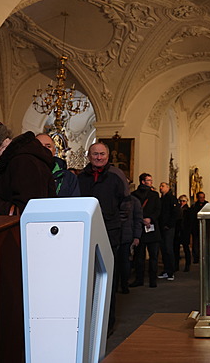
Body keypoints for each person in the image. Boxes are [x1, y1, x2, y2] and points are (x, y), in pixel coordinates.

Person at [77, 142, 131, 333]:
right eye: (95, 154)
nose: (98, 157)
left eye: (102, 154)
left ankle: (105, 324)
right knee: (86, 279)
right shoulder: (81, 177)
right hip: (85, 234)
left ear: (107, 156)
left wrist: (117, 224)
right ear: (89, 155)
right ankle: (87, 323)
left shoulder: (116, 176)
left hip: (110, 233)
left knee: (107, 279)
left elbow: (126, 203)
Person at [131, 173, 161, 288]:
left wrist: (149, 219)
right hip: (142, 228)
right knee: (140, 256)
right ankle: (143, 279)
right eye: (149, 180)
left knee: (152, 256)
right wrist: (147, 219)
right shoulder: (134, 195)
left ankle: (150, 279)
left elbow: (158, 209)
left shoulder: (154, 195)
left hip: (147, 227)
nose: (151, 182)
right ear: (143, 181)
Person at [157, 182, 179, 281]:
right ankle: (166, 269)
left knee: (168, 248)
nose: (160, 187)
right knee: (164, 249)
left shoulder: (172, 199)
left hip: (169, 228)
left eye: (163, 186)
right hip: (161, 227)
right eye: (160, 186)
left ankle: (171, 271)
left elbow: (175, 213)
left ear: (168, 188)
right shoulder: (161, 199)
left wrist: (169, 224)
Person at [189, 191, 208, 264]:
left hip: (205, 227)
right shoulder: (194, 206)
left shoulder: (206, 205)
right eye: (200, 197)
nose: (202, 199)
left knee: (204, 243)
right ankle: (196, 257)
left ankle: (204, 256)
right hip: (196, 228)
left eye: (203, 197)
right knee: (195, 243)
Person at [174, 194, 192, 272]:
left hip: (185, 231)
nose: (182, 203)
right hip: (178, 231)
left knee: (186, 248)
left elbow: (189, 222)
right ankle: (176, 265)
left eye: (183, 201)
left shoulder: (188, 210)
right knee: (176, 249)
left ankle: (187, 265)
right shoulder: (177, 209)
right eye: (180, 201)